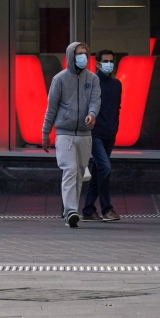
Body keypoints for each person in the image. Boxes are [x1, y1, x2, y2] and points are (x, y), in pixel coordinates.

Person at [42, 42, 101, 228]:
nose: (82, 57)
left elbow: (95, 101)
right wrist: (46, 132)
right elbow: (51, 107)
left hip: (85, 134)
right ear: (70, 56)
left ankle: (71, 211)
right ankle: (71, 211)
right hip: (64, 134)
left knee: (80, 172)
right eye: (78, 54)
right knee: (70, 170)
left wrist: (92, 115)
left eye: (85, 54)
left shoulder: (92, 79)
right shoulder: (59, 80)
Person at [82, 50, 122, 222]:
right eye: (105, 61)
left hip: (110, 133)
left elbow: (116, 108)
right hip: (95, 133)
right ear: (97, 63)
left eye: (111, 61)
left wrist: (115, 128)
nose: (109, 64)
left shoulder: (116, 84)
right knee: (104, 167)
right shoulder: (91, 82)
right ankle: (107, 208)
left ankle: (89, 209)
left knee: (98, 170)